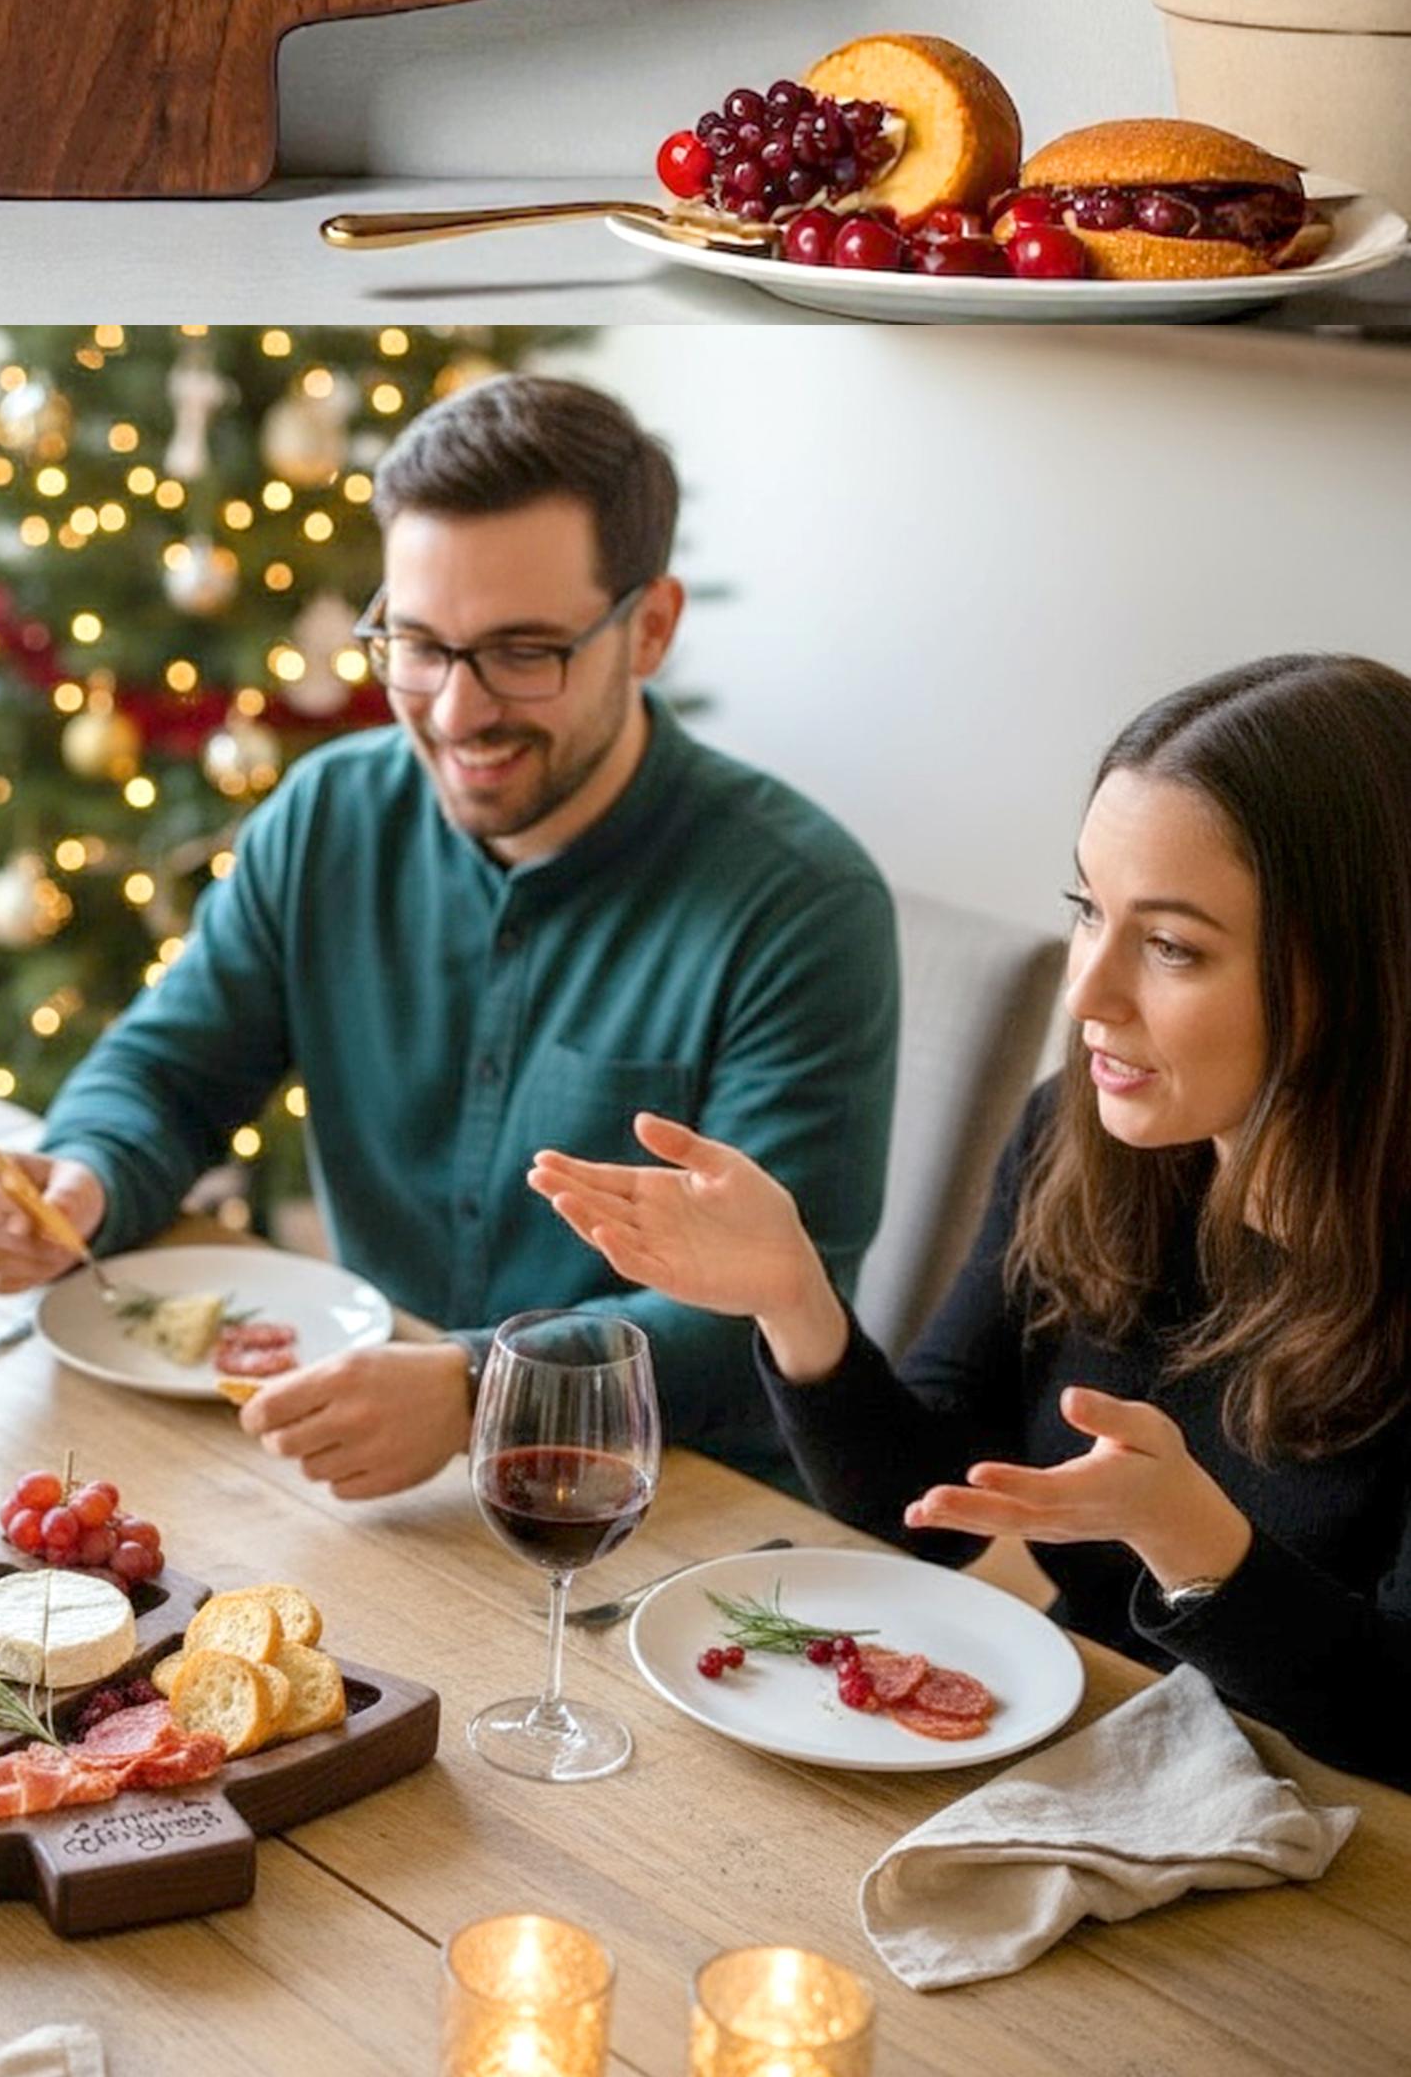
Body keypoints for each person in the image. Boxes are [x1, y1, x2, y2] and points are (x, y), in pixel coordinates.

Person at [0, 373, 899, 1499]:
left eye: (522, 653)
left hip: (669, 1505)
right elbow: (170, 1067)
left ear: (648, 629)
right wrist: (86, 1176)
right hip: (370, 1469)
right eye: (416, 645)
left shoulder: (801, 907)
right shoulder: (325, 815)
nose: (454, 714)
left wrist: (478, 1388)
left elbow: (764, 1310)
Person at [529, 653, 1411, 1787]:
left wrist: (1200, 1548)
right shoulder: (1083, 1138)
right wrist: (797, 1304)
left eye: (1174, 946)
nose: (1088, 992)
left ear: (1360, 976)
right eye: (1089, 910)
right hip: (1098, 1774)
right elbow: (933, 1511)